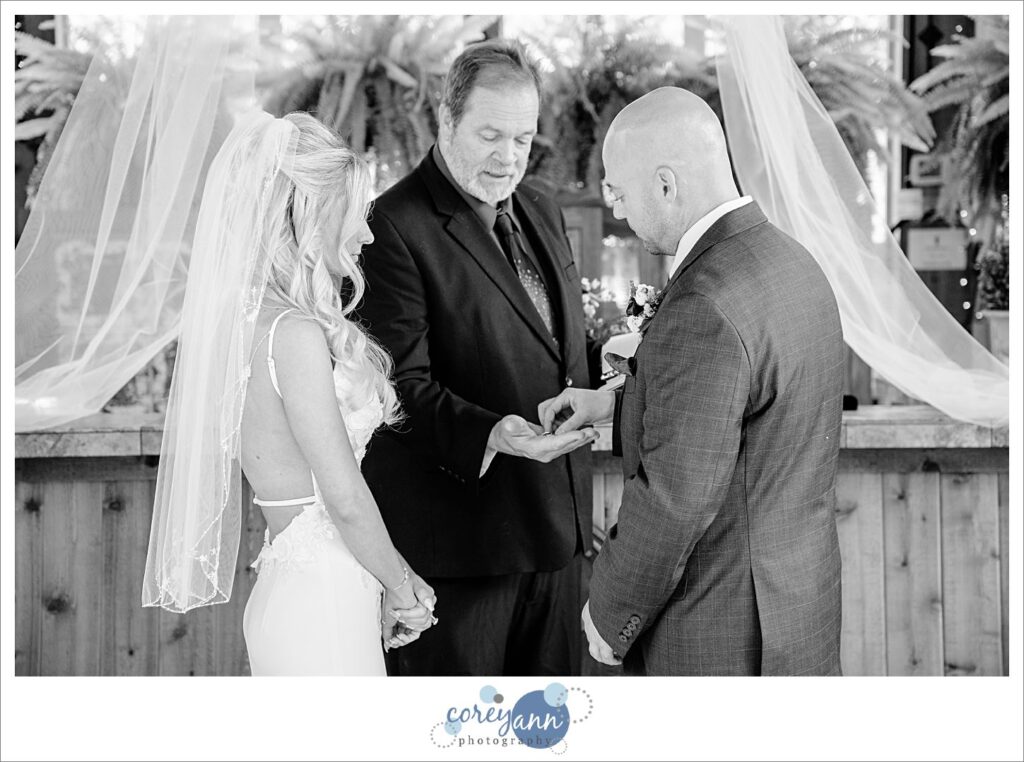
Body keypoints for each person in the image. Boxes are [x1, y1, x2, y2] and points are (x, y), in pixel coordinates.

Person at [539, 87, 845, 676]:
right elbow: (744, 409)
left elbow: (675, 500)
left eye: (621, 193)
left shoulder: (703, 302)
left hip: (721, 629)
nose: (619, 212)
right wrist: (612, 403)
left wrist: (609, 615)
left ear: (665, 184)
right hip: (799, 607)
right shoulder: (793, 263)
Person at [143, 111, 435, 675]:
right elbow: (343, 497)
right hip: (323, 596)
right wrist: (403, 587)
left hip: (293, 586)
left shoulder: (243, 324)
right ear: (310, 213)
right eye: (356, 213)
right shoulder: (294, 334)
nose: (367, 234)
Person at [357, 39, 604, 676]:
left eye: (523, 139)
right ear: (446, 119)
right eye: (491, 135)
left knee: (550, 737)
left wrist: (616, 370)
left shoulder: (544, 210)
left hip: (558, 538)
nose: (508, 157)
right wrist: (492, 432)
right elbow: (396, 388)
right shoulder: (392, 224)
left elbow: (554, 348)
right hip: (459, 556)